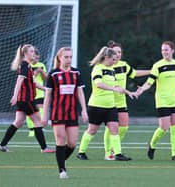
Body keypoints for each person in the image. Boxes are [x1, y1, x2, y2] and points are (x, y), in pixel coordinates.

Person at [135, 41, 175, 161]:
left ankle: (174, 154)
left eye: (166, 50)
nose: (164, 52)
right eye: (163, 50)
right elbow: (150, 82)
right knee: (164, 127)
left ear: (172, 51)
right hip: (162, 100)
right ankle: (152, 145)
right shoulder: (157, 65)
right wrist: (142, 89)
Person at [76, 46, 133, 161]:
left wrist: (128, 92)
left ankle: (118, 154)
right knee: (92, 130)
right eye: (113, 59)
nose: (114, 61)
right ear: (106, 58)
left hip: (110, 106)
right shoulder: (98, 68)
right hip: (96, 106)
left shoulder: (111, 70)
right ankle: (81, 152)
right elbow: (99, 84)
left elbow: (117, 85)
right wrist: (113, 89)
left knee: (114, 129)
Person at [0, 44, 54, 153]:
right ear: (25, 54)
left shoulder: (28, 66)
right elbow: (19, 81)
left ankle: (2, 145)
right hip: (27, 100)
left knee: (18, 122)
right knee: (37, 122)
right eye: (31, 51)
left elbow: (33, 83)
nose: (34, 53)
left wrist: (46, 89)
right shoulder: (24, 66)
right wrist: (14, 96)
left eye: (34, 51)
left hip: (23, 100)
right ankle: (44, 148)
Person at [42, 47, 88, 179]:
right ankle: (62, 170)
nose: (68, 59)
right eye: (66, 57)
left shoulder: (76, 73)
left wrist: (84, 110)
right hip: (58, 112)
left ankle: (61, 159)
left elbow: (80, 92)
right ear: (59, 58)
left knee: (72, 143)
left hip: (72, 112)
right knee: (60, 140)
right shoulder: (53, 74)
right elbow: (48, 95)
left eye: (70, 57)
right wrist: (45, 114)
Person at [103, 41, 150, 160]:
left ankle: (113, 149)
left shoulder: (124, 65)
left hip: (121, 101)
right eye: (115, 52)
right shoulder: (106, 66)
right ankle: (109, 152)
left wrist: (151, 71)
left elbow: (134, 73)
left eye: (119, 52)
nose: (117, 54)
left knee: (124, 126)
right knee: (111, 127)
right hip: (109, 101)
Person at [26, 47, 47, 137]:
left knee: (40, 110)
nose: (36, 59)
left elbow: (45, 78)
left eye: (38, 58)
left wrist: (41, 71)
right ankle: (31, 130)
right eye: (35, 57)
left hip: (40, 92)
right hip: (29, 92)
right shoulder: (27, 65)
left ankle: (39, 127)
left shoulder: (41, 65)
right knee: (29, 111)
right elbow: (28, 78)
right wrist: (35, 72)